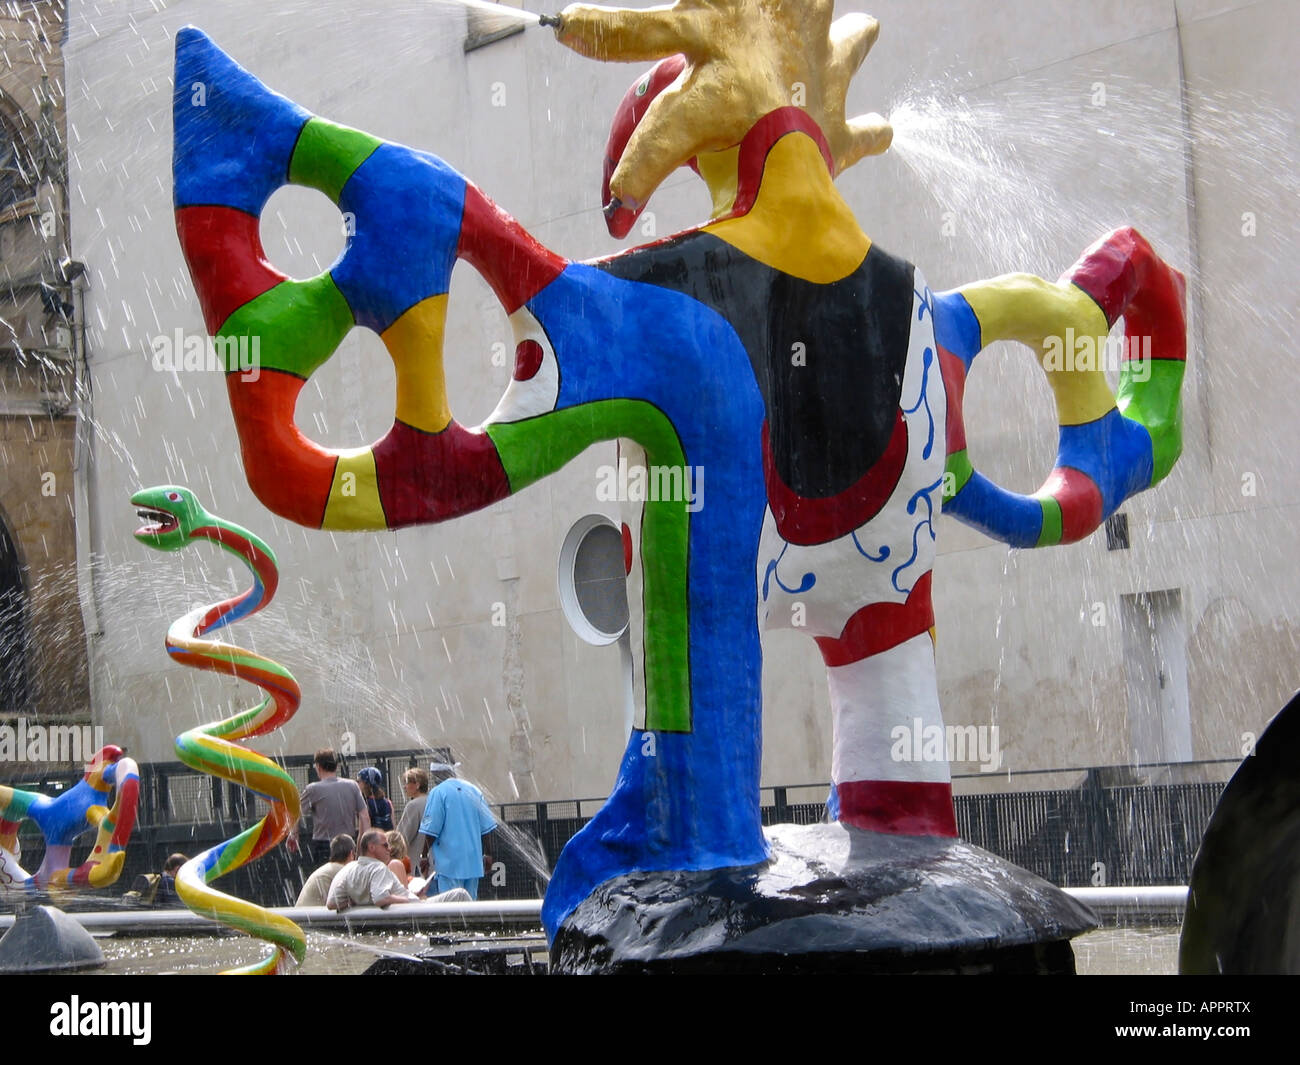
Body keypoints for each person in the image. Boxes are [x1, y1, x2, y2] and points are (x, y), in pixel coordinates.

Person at [418, 765, 497, 900]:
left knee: (452, 907)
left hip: (449, 864)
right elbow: (486, 828)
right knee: (470, 906)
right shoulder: (474, 790)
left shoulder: (438, 792)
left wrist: (424, 855)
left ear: (437, 773)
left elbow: (431, 830)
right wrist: (488, 853)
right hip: (473, 863)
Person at [297, 749, 369, 865]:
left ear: (318, 766)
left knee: (326, 880)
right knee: (348, 879)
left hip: (323, 844)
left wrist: (293, 833)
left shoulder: (313, 789)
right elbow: (364, 816)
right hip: (347, 842)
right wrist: (363, 844)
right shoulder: (352, 785)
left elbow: (296, 813)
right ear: (336, 766)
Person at [327, 829, 424, 910]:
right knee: (439, 899)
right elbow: (380, 898)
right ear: (371, 847)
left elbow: (331, 903)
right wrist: (407, 900)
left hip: (380, 918)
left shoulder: (349, 869)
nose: (389, 849)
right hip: (413, 910)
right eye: (385, 845)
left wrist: (356, 902)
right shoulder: (379, 868)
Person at [295, 833, 354, 907]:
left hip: (300, 915)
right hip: (311, 916)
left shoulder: (329, 869)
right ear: (351, 854)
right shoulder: (343, 871)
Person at [396, 767, 430, 856]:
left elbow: (403, 836)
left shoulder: (413, 805)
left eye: (407, 783)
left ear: (417, 785)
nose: (404, 787)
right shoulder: (433, 801)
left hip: (417, 859)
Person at [357, 766, 394, 831]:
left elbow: (363, 831)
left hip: (372, 839)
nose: (358, 784)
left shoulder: (364, 804)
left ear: (366, 784)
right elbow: (393, 825)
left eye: (359, 781)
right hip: (386, 838)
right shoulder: (388, 803)